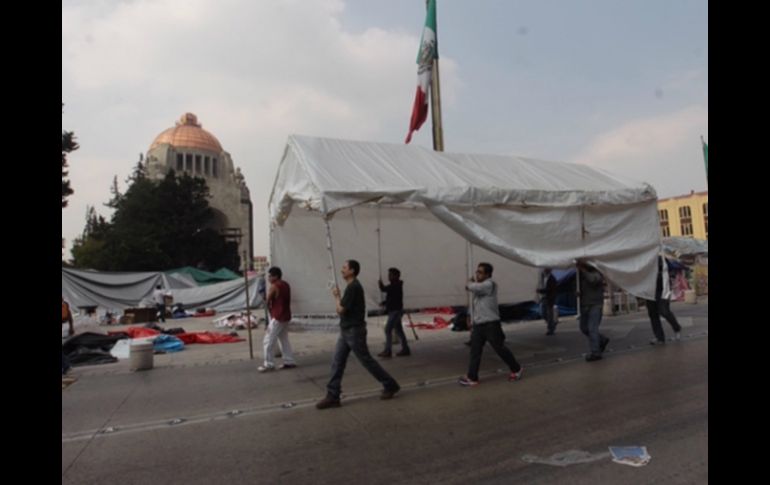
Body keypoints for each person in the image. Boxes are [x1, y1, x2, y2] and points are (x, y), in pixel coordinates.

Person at [316, 260, 401, 409]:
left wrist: (336, 296)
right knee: (337, 362)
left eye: (344, 268)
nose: (342, 270)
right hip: (347, 330)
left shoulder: (353, 287)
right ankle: (333, 395)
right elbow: (345, 308)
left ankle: (390, 385)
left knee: (366, 361)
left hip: (354, 331)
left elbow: (341, 310)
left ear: (352, 271)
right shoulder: (351, 287)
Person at [458, 262, 523, 387]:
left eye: (480, 272)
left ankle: (516, 368)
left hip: (490, 324)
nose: (477, 274)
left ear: (488, 274)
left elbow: (471, 287)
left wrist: (469, 282)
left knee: (499, 349)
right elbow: (476, 304)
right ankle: (472, 377)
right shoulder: (480, 287)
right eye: (477, 272)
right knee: (475, 351)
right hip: (479, 324)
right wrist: (470, 317)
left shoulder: (489, 285)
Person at [258, 267, 297, 372]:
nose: (268, 278)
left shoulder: (274, 286)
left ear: (275, 276)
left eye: (270, 276)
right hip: (285, 316)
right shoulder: (286, 284)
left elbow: (267, 301)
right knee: (284, 339)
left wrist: (262, 294)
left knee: (268, 339)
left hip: (278, 317)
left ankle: (268, 364)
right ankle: (289, 361)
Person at [577, 261, 610, 362]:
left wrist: (583, 270)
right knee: (584, 328)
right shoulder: (580, 275)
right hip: (585, 305)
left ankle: (595, 352)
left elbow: (593, 280)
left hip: (595, 305)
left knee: (592, 329)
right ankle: (602, 339)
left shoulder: (597, 273)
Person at [647, 256, 683, 345]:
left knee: (664, 311)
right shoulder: (644, 259)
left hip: (663, 289)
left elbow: (670, 272)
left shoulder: (660, 258)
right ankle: (659, 338)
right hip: (649, 290)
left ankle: (677, 327)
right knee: (653, 314)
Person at [377, 267, 410, 358]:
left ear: (396, 276)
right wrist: (384, 303)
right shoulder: (396, 285)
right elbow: (391, 297)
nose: (389, 276)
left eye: (390, 275)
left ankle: (388, 351)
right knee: (399, 330)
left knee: (388, 329)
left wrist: (380, 284)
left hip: (395, 311)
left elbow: (384, 289)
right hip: (396, 311)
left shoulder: (395, 285)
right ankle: (405, 349)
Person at [537, 268, 558, 335]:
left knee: (549, 314)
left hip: (549, 299)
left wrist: (540, 291)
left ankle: (550, 329)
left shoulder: (552, 279)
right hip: (544, 298)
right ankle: (552, 324)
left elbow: (549, 290)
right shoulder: (542, 277)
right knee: (543, 313)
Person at [62, 297, 74, 375]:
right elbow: (70, 317)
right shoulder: (65, 305)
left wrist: (71, 328)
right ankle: (66, 366)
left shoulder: (64, 306)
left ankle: (66, 366)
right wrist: (71, 327)